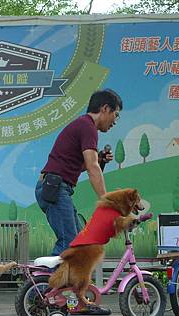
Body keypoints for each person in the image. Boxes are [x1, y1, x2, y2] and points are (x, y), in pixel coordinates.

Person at [35, 89, 122, 256]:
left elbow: (78, 165)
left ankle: (63, 281)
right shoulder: (87, 126)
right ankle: (48, 281)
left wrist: (100, 158)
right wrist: (108, 201)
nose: (115, 121)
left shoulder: (85, 126)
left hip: (56, 187)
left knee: (79, 242)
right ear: (105, 108)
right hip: (55, 188)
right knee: (69, 244)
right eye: (116, 114)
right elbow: (92, 167)